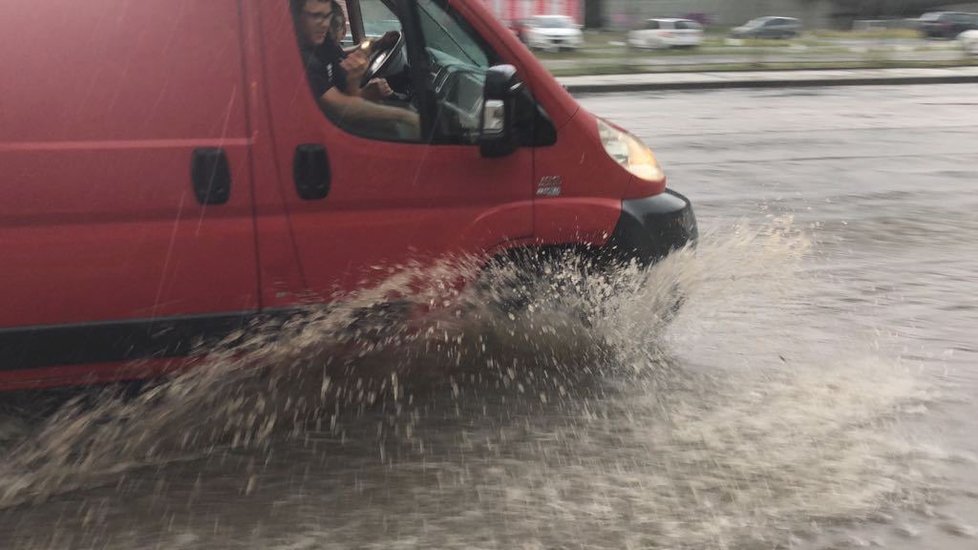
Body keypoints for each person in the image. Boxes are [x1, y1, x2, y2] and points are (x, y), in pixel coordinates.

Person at [291, 0, 419, 137]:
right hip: (328, 133)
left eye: (327, 16)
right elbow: (340, 108)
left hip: (344, 113)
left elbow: (340, 54)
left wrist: (376, 44)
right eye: (316, 16)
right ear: (297, 16)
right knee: (399, 128)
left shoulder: (321, 39)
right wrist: (404, 116)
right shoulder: (301, 58)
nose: (324, 24)